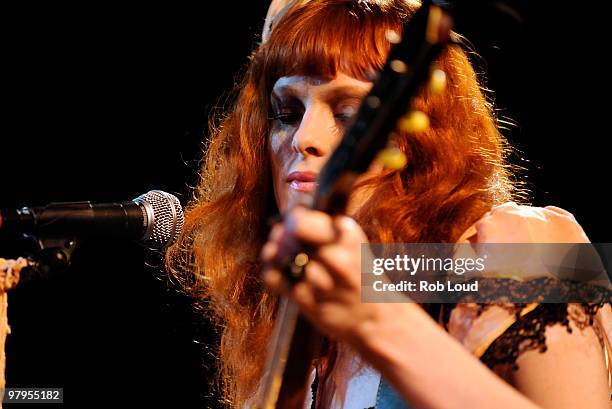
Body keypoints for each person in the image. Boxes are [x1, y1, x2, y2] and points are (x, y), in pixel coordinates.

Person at [167, 0, 611, 408]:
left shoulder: (525, 246)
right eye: (286, 114)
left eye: (347, 113)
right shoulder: (286, 332)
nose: (303, 138)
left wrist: (377, 319)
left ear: (420, 132)